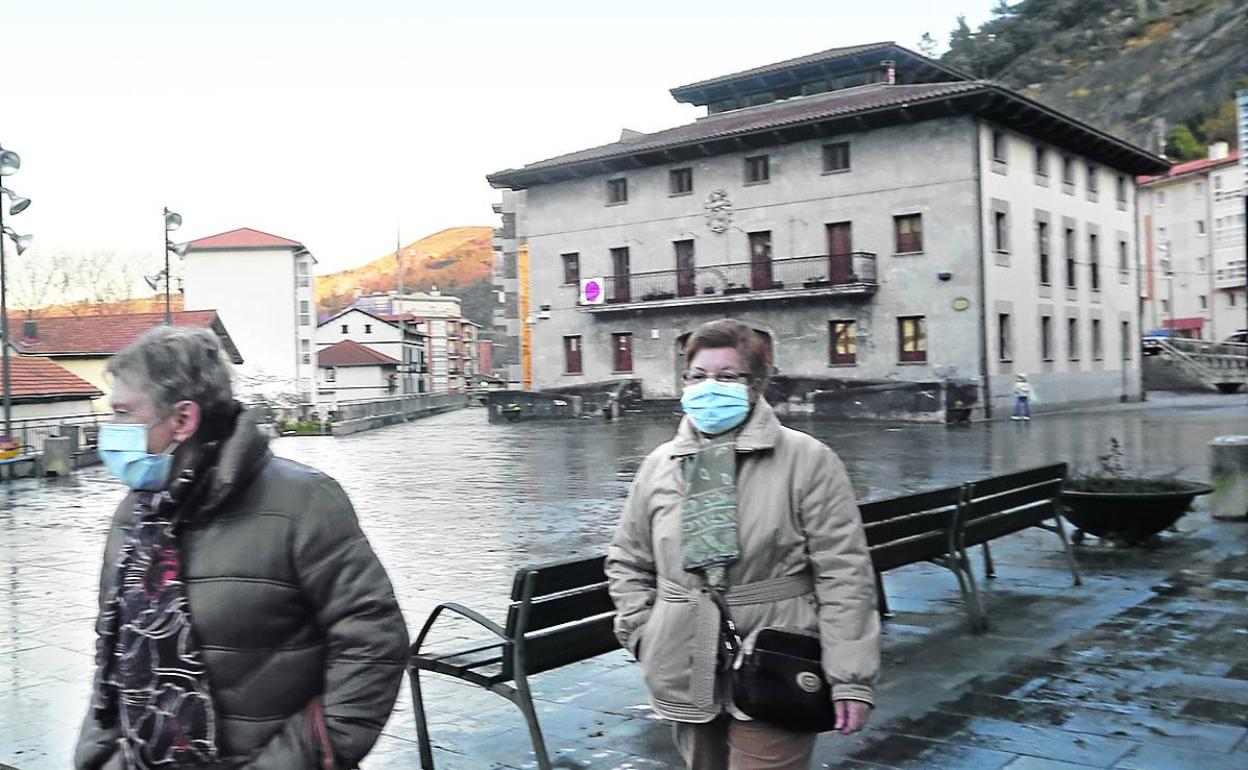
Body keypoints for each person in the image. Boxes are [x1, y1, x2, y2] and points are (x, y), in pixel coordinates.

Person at [74, 326, 409, 770]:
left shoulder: (304, 503)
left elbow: (374, 645)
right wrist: (101, 757)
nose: (109, 431)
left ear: (182, 420)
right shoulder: (134, 515)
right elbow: (115, 652)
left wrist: (297, 757)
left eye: (122, 413)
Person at [606, 320, 879, 770]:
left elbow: (845, 572)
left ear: (756, 385)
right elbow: (627, 560)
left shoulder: (808, 461)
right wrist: (643, 633)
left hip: (778, 660)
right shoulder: (659, 465)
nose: (709, 387)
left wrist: (851, 678)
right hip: (683, 660)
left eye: (727, 375)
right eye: (697, 375)